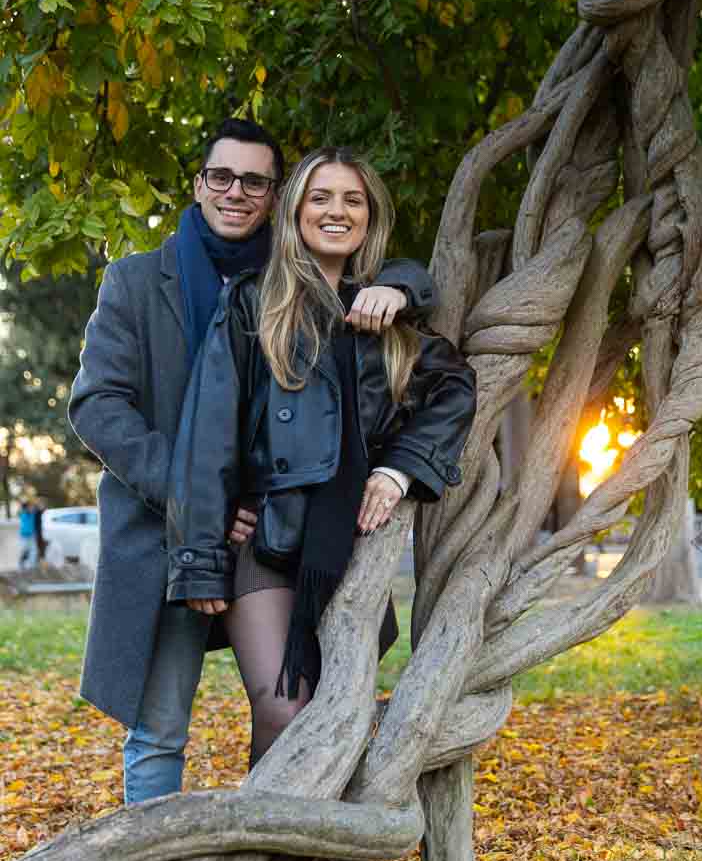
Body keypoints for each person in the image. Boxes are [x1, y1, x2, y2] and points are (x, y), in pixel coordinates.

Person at [69, 119, 438, 804]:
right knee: (160, 730)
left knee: (297, 705)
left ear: (276, 196)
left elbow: (373, 271)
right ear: (198, 184)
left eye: (254, 182)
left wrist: (404, 286)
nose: (235, 192)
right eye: (221, 176)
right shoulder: (136, 282)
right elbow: (98, 407)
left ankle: (273, 840)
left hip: (281, 531)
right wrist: (193, 501)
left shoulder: (293, 276)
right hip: (168, 532)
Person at [167, 147, 477, 769]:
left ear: (370, 217)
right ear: (295, 212)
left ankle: (315, 833)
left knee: (339, 711)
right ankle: (263, 834)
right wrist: (199, 556)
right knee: (283, 707)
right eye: (321, 197)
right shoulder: (253, 302)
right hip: (268, 539)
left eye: (352, 200)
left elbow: (455, 386)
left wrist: (398, 470)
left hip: (348, 544)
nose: (337, 211)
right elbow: (208, 431)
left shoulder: (390, 316)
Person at [17, 497, 37, 571]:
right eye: (29, 507)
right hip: (24, 536)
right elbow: (21, 508)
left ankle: (31, 566)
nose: (31, 508)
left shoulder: (33, 514)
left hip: (32, 535)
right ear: (26, 508)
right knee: (24, 550)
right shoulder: (23, 513)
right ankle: (21, 565)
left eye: (31, 507)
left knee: (33, 551)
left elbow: (36, 508)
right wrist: (24, 503)